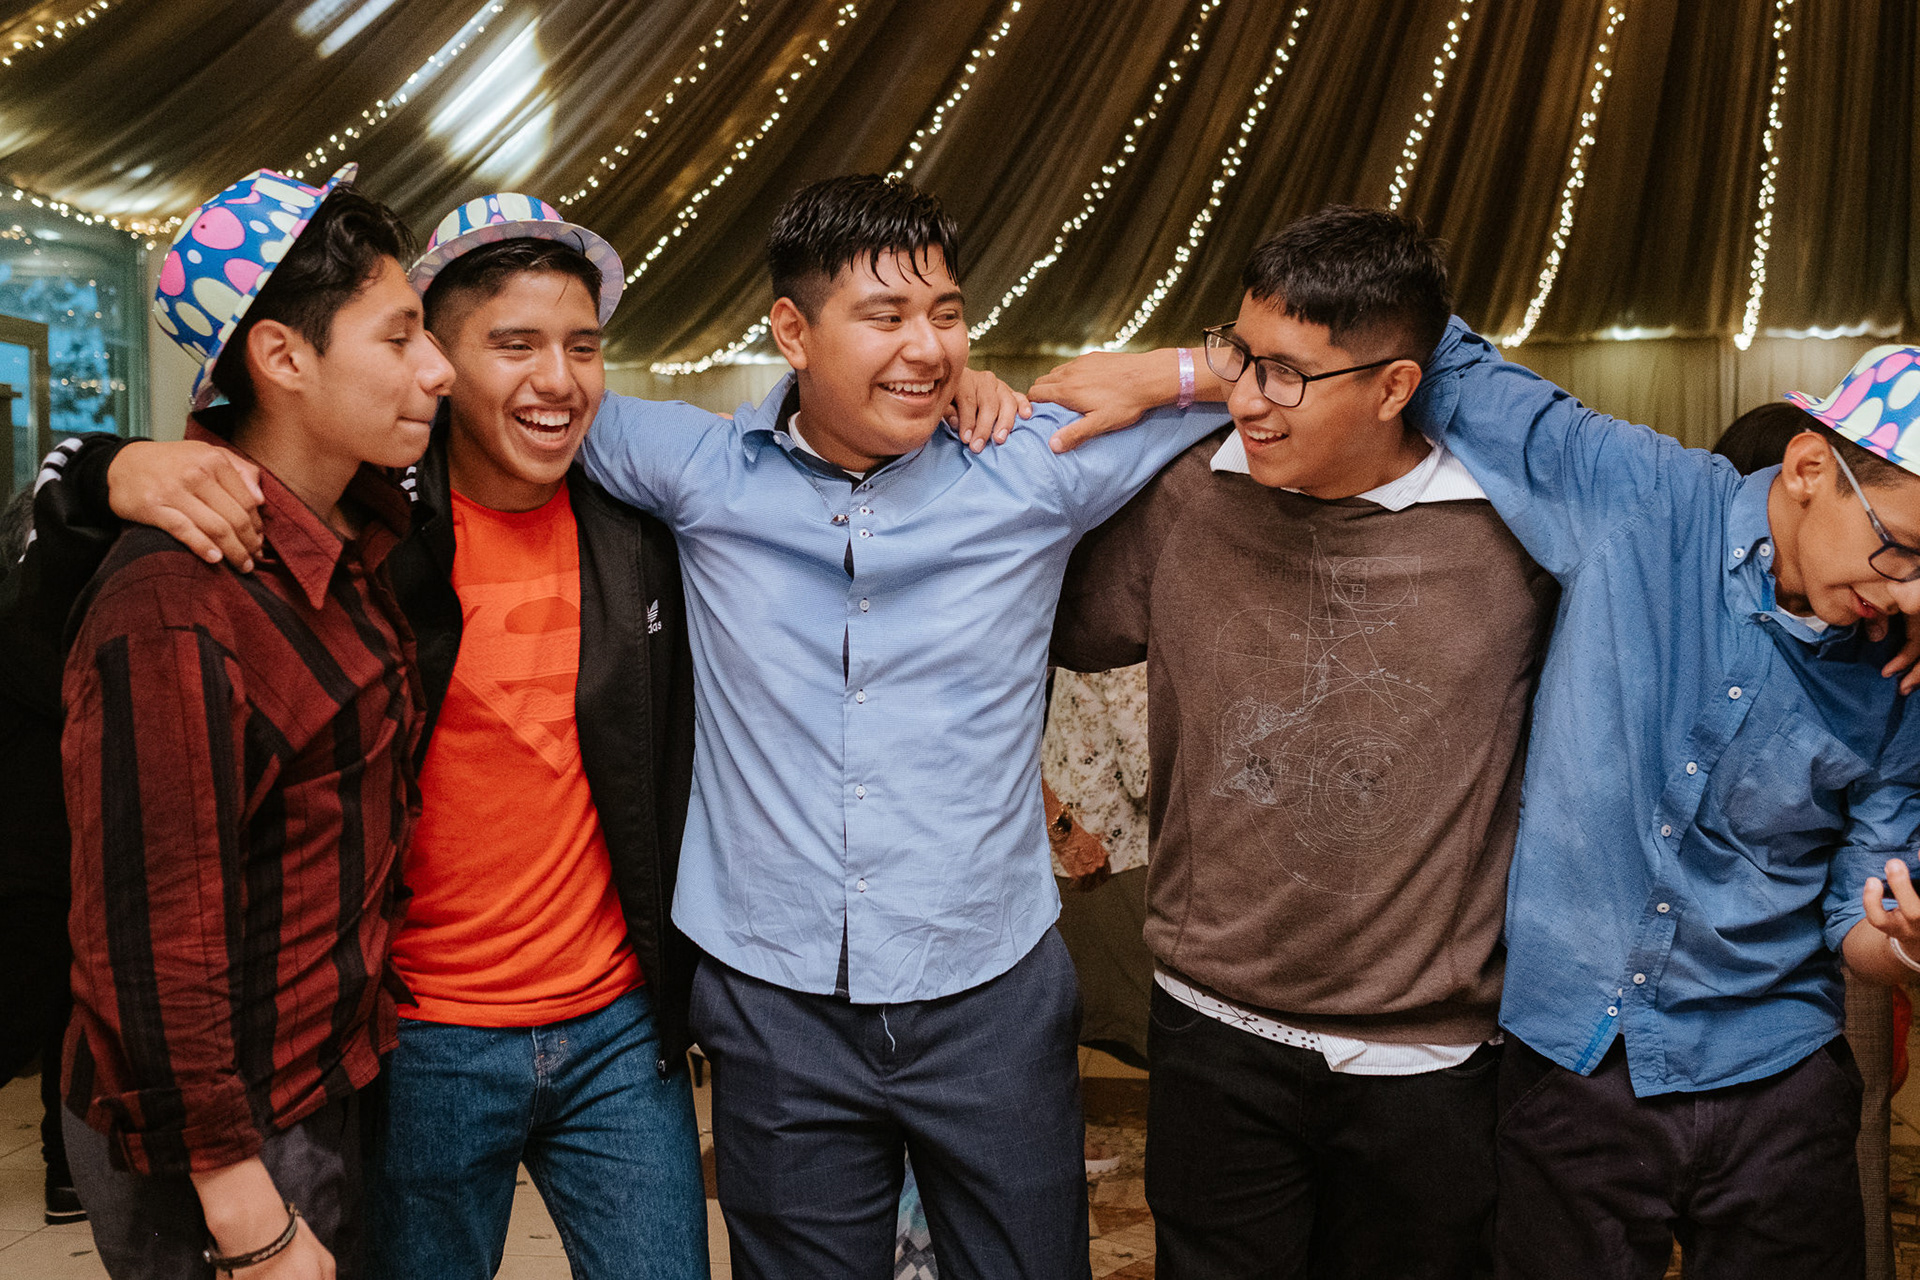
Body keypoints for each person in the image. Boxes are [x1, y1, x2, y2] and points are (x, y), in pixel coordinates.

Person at [1051, 305, 1920, 1276]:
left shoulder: (1896, 672)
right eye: (1903, 547)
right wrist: (1176, 375)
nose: (1912, 589)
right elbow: (1425, 346)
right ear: (1808, 468)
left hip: (1773, 1068)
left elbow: (1861, 917)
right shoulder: (1638, 495)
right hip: (1568, 1053)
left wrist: (1899, 939)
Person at [568, 172, 1222, 1280]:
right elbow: (493, 391)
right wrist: (217, 469)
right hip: (774, 1000)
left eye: (947, 314)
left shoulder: (1034, 466)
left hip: (991, 991)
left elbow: (1316, 369)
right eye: (886, 316)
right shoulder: (698, 469)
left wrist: (1167, 370)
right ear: (792, 332)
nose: (928, 348)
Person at [1036, 205, 1557, 1279]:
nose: (1246, 397)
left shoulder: (1512, 535)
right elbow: (1025, 620)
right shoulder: (1190, 498)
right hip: (1213, 1028)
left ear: (1395, 386)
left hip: (1428, 1059)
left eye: (1287, 374)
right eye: (1240, 357)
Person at [59, 165, 452, 1278]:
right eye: (399, 337)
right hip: (224, 1132)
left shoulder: (352, 534)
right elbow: (152, 940)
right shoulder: (176, 600)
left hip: (319, 1079)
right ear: (282, 357)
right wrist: (246, 1211)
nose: (437, 368)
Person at [0, 480, 84, 1226]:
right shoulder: (56, 635)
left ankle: (67, 1175)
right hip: (42, 859)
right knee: (42, 1014)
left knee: (57, 1016)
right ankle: (65, 1174)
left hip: (45, 857)